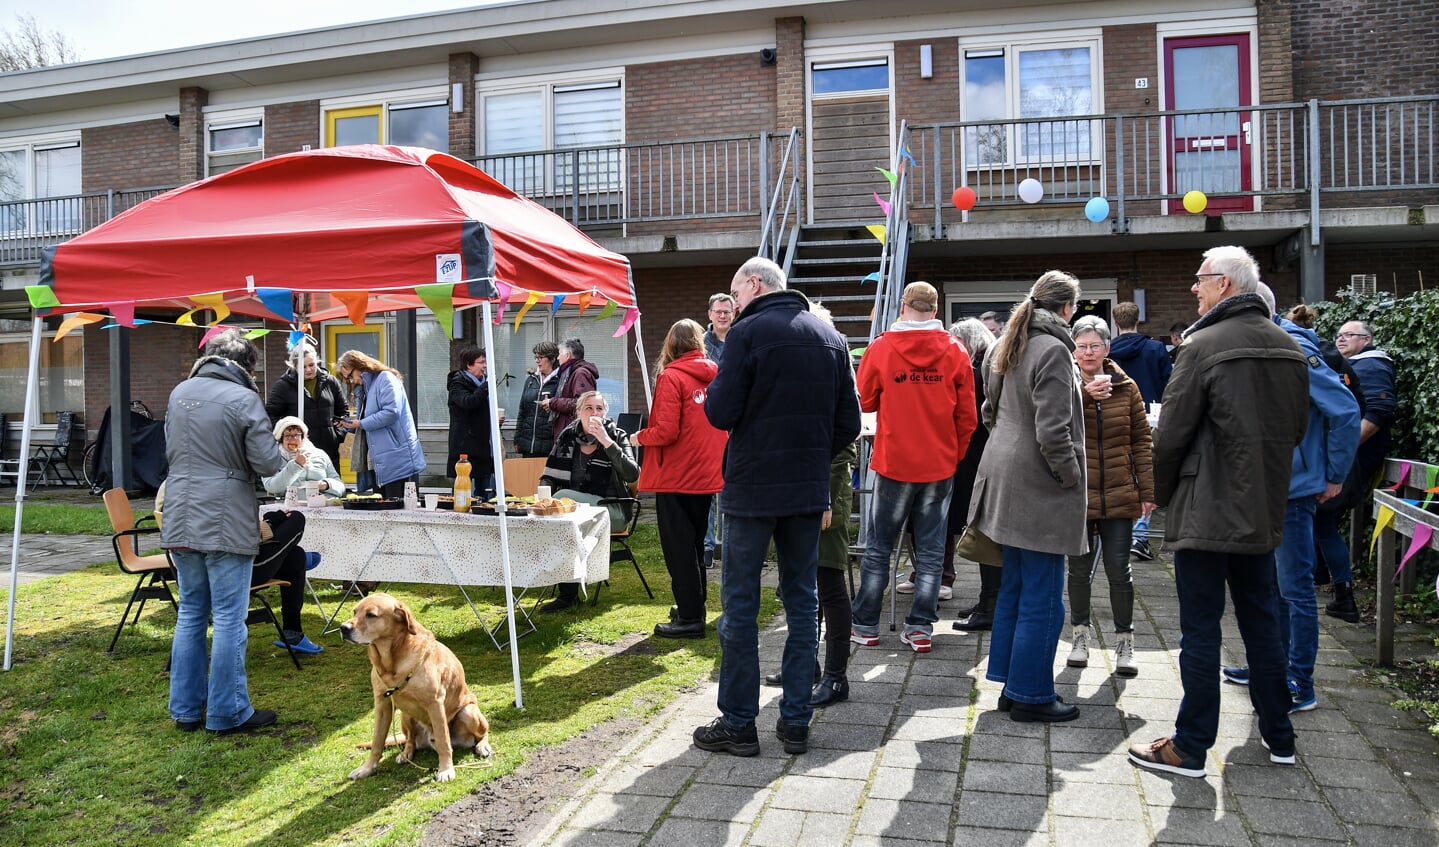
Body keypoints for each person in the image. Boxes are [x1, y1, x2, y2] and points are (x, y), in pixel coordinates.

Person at [1128, 246, 1309, 778]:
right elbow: (1295, 429)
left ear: (1226, 285)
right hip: (1262, 508)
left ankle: (1189, 747)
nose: (1193, 289)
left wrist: (1156, 494)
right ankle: (1280, 736)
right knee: (1264, 624)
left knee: (1201, 631)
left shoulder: (1201, 346)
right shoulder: (1289, 347)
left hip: (1206, 510)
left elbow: (1173, 433)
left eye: (1200, 280)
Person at [693, 256, 861, 758]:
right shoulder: (831, 338)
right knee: (802, 600)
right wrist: (813, 456)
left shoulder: (746, 334)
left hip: (751, 487)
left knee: (741, 603)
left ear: (754, 284)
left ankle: (740, 723)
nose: (734, 305)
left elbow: (720, 411)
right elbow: (848, 423)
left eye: (735, 294)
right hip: (807, 490)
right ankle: (795, 722)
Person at [1221, 285, 1359, 714]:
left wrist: (1333, 474)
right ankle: (1270, 666)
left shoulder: (1293, 347)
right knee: (1269, 585)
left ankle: (1300, 678)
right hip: (1264, 486)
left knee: (1295, 588)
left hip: (1294, 488)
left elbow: (1345, 409)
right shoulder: (1260, 342)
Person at [967, 271, 1087, 724]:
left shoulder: (1005, 344)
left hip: (1003, 474)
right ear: (1066, 308)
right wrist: (1072, 478)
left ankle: (1012, 684)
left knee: (1016, 586)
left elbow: (989, 411)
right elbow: (1054, 432)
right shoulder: (1053, 348)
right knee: (1042, 593)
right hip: (1040, 482)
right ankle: (1032, 694)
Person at [161, 328, 285, 734]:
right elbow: (268, 464)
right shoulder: (243, 398)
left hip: (180, 510)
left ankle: (185, 710)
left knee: (192, 614)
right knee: (231, 617)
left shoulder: (180, 393)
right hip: (226, 513)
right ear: (245, 365)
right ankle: (227, 712)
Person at [850, 281, 976, 655]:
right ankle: (920, 628)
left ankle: (866, 625)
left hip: (894, 460)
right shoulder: (955, 350)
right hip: (939, 464)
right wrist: (952, 456)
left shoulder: (883, 347)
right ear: (935, 311)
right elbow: (967, 417)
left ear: (903, 306)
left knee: (878, 548)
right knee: (933, 551)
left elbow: (866, 398)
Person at [1065, 316, 1153, 678]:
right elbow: (1056, 425)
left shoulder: (1127, 387)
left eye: (1095, 346)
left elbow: (1142, 440)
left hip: (1118, 490)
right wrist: (1083, 396)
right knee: (1079, 571)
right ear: (1074, 349)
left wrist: (1146, 490)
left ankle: (1124, 643)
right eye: (1082, 346)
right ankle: (1080, 636)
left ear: (1107, 349)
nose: (1088, 353)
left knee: (1120, 570)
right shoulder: (1065, 385)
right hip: (1079, 493)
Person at [632, 319, 726, 638]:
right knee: (696, 546)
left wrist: (639, 437)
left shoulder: (671, 376)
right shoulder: (715, 373)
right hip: (706, 471)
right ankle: (693, 607)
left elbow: (666, 431)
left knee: (679, 550)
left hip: (676, 474)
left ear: (671, 344)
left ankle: (689, 618)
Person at [156, 478, 324, 655]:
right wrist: (272, 523)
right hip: (236, 569)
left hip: (198, 568)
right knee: (296, 520)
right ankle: (292, 631)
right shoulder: (214, 485)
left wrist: (269, 523)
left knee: (294, 556)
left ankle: (293, 632)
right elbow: (237, 536)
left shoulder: (171, 484)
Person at [538, 390, 640, 612]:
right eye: (589, 408)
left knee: (560, 501)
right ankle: (568, 593)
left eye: (599, 409)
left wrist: (606, 441)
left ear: (605, 413)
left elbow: (632, 475)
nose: (594, 413)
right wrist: (541, 497)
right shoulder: (566, 437)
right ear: (578, 412)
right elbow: (549, 475)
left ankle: (567, 593)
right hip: (576, 513)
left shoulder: (617, 435)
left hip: (611, 509)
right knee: (563, 518)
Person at [1322, 319, 1397, 620]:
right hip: (1342, 459)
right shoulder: (1352, 365)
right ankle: (1338, 590)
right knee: (1323, 527)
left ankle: (1342, 594)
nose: (1341, 339)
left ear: (1366, 340)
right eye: (1338, 334)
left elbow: (1378, 413)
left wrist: (1342, 451)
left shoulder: (1373, 366)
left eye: (1349, 335)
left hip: (1345, 461)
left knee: (1322, 525)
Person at [946, 319, 1001, 631]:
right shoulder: (987, 363)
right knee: (982, 531)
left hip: (979, 459)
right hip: (984, 457)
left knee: (984, 532)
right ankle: (987, 599)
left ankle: (991, 605)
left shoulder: (978, 369)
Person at [1107, 302, 1170, 563]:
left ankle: (1117, 533)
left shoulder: (1107, 350)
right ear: (1138, 320)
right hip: (1150, 418)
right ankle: (1140, 535)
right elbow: (1168, 384)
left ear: (1116, 321)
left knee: (1119, 472)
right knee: (1146, 474)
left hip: (1117, 417)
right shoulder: (1155, 349)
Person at [335, 350, 426, 499]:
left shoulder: (385, 378)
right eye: (347, 380)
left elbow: (392, 412)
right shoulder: (366, 388)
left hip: (394, 456)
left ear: (359, 365)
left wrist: (360, 423)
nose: (351, 381)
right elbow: (367, 422)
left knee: (396, 508)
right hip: (380, 459)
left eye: (350, 376)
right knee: (382, 508)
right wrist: (348, 424)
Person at [264, 341, 348, 468]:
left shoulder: (330, 382)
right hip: (298, 450)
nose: (308, 370)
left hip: (328, 449)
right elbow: (270, 415)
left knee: (330, 485)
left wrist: (337, 435)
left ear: (317, 362)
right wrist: (287, 436)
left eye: (311, 365)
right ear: (294, 366)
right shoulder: (283, 386)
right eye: (303, 367)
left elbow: (342, 411)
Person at [701, 292, 736, 568]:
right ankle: (707, 546)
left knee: (734, 486)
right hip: (707, 421)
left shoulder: (741, 339)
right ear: (710, 314)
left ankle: (736, 545)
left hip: (737, 422)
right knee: (708, 487)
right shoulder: (700, 345)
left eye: (728, 311)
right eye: (719, 311)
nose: (723, 315)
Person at [446, 346, 505, 498]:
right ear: (469, 365)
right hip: (466, 448)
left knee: (486, 494)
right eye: (481, 362)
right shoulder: (457, 383)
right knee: (466, 496)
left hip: (484, 448)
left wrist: (493, 418)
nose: (485, 366)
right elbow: (468, 402)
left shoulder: (483, 383)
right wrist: (487, 386)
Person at [261, 416, 346, 500]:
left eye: (297, 435)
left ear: (303, 437)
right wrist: (296, 465)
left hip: (323, 505)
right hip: (289, 508)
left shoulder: (319, 454)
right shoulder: (270, 458)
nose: (293, 439)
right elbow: (271, 487)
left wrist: (326, 485)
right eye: (288, 436)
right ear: (280, 438)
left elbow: (341, 488)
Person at [540, 338, 599, 442]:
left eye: (559, 354)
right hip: (569, 430)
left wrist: (553, 402)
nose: (557, 358)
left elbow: (583, 404)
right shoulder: (569, 372)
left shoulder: (580, 373)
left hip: (574, 434)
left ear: (567, 355)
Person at [515, 341, 560, 458]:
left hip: (549, 445)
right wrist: (517, 438)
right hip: (527, 445)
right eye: (535, 357)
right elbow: (522, 410)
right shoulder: (530, 380)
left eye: (540, 357)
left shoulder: (560, 381)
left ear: (553, 359)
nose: (537, 361)